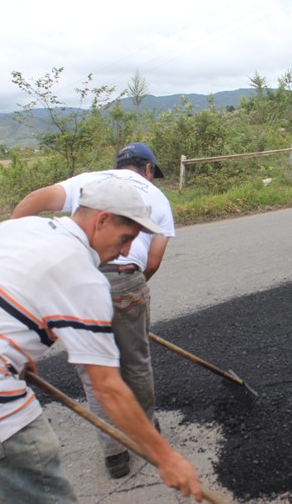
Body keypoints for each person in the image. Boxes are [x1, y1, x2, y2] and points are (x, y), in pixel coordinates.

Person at [0, 178, 202, 503]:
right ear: (102, 218)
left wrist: (11, 350)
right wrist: (166, 458)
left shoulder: (13, 230)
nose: (124, 252)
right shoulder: (84, 278)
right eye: (126, 238)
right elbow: (108, 387)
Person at [11, 142, 175, 478]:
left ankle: (114, 453)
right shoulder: (158, 198)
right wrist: (133, 295)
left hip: (75, 278)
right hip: (126, 280)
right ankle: (149, 435)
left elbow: (33, 201)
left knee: (94, 372)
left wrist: (14, 238)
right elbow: (153, 261)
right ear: (147, 169)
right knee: (136, 365)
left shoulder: (90, 181)